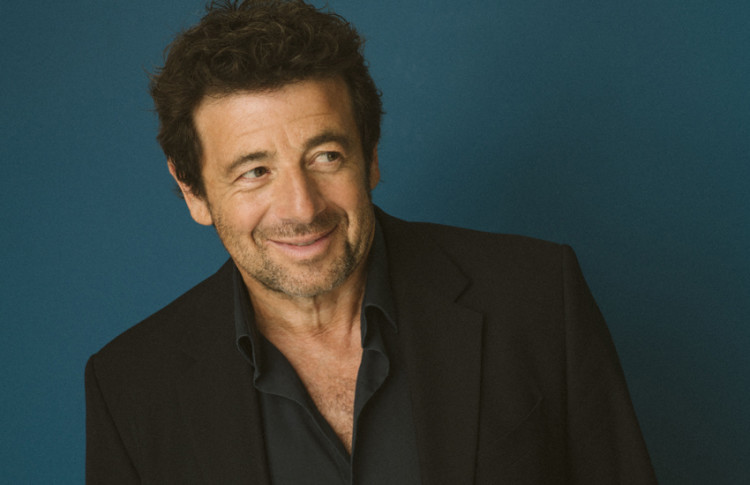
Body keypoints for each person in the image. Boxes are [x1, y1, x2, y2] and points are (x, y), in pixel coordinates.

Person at [85, 1, 657, 483]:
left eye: (326, 156)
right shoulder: (130, 389)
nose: (303, 208)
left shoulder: (538, 298)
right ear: (194, 192)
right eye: (255, 172)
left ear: (371, 156)